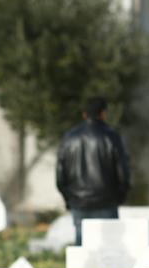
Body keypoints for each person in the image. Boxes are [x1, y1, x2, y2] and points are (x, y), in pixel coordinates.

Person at [55, 96, 131, 246]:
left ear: (84, 114)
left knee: (83, 249)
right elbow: (123, 172)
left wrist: (69, 198)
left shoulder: (69, 138)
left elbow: (60, 175)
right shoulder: (111, 137)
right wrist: (120, 196)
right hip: (107, 201)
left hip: (79, 202)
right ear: (103, 113)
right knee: (110, 249)